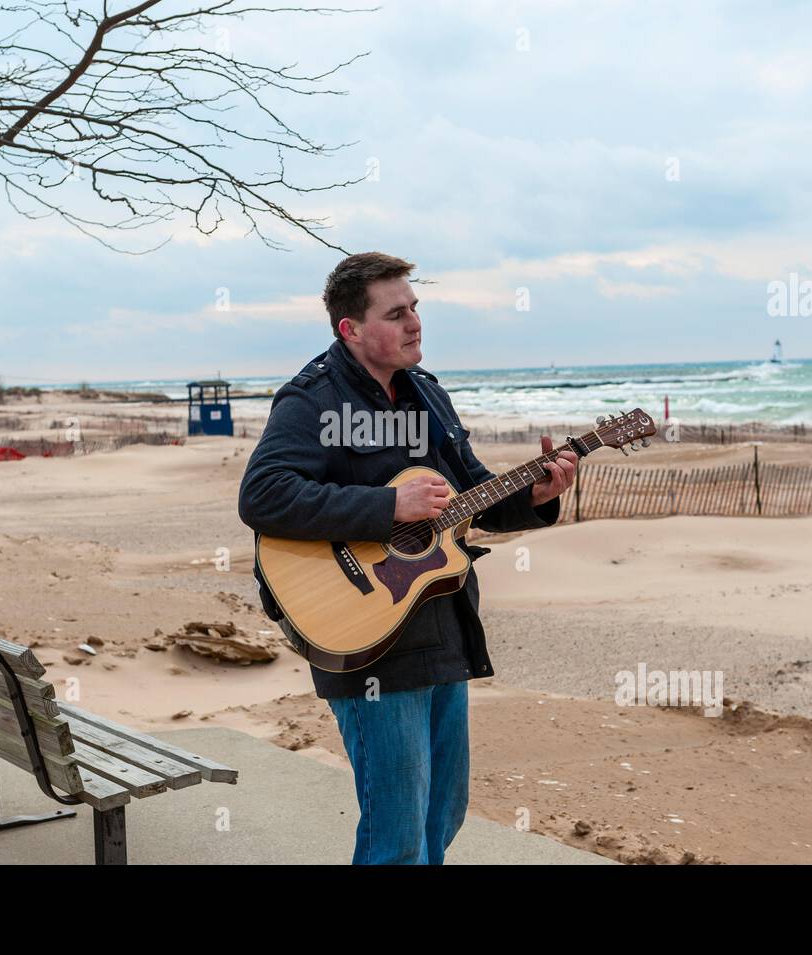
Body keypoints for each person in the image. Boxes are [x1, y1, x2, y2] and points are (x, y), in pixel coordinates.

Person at [238, 251, 577, 864]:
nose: (415, 322)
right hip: (365, 637)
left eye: (415, 308)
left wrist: (536, 497)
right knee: (397, 839)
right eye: (397, 313)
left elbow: (472, 497)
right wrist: (387, 505)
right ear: (352, 329)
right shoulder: (312, 400)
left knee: (439, 819)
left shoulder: (428, 396)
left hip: (442, 629)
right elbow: (263, 495)